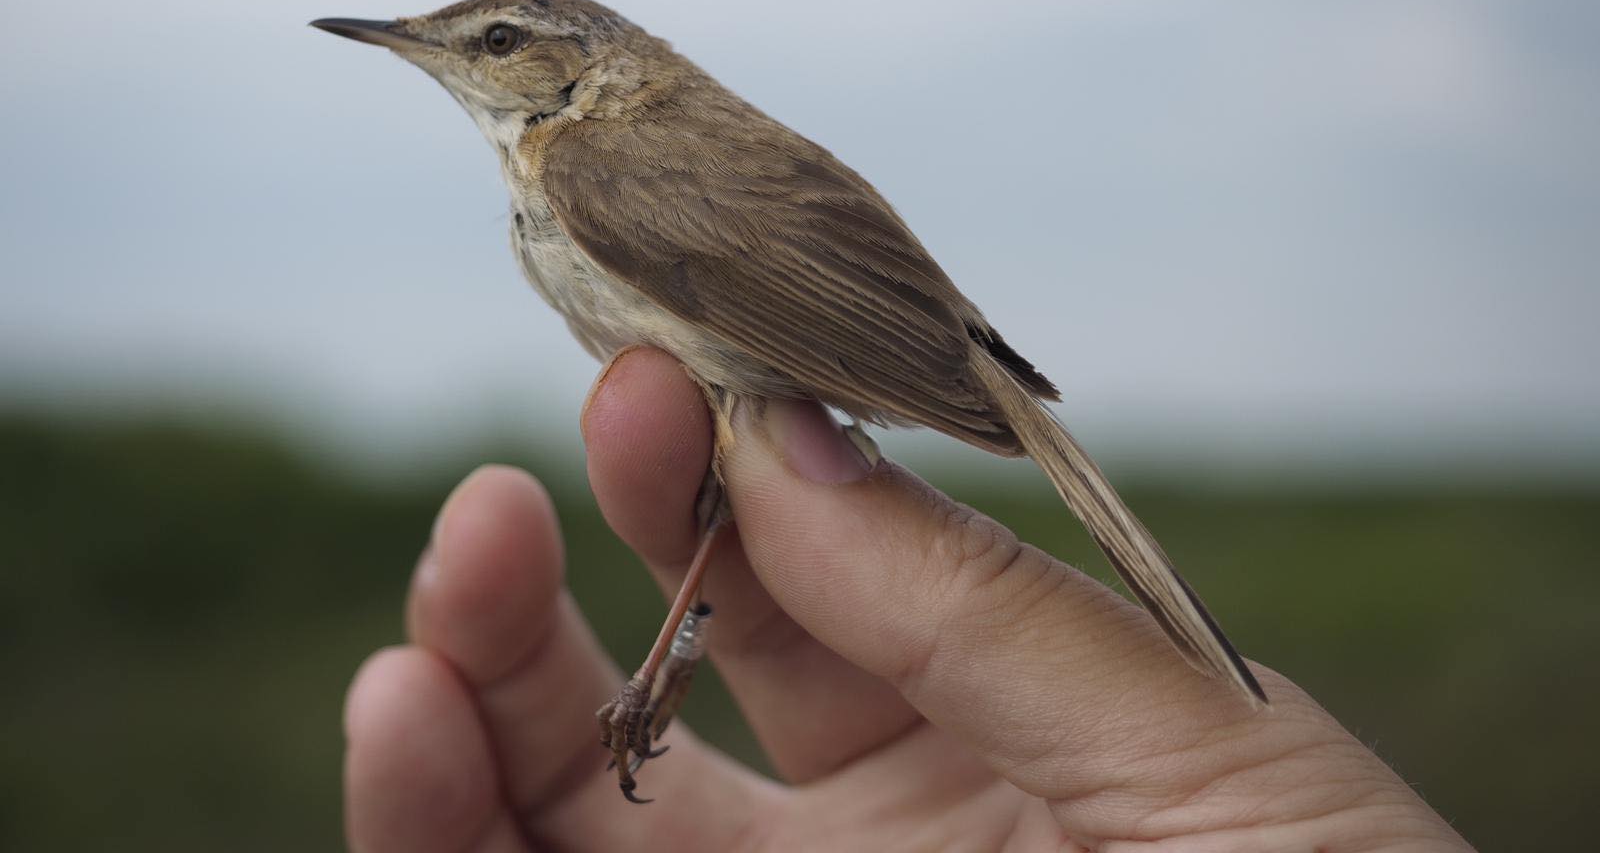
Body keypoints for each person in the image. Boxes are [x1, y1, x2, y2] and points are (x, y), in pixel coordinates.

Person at [343, 348, 1474, 851]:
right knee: (713, 496)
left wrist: (935, 376)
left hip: (820, 337)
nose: (468, 62)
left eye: (497, 46)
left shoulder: (583, 158)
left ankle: (656, 677)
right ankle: (663, 674)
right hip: (830, 354)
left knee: (736, 488)